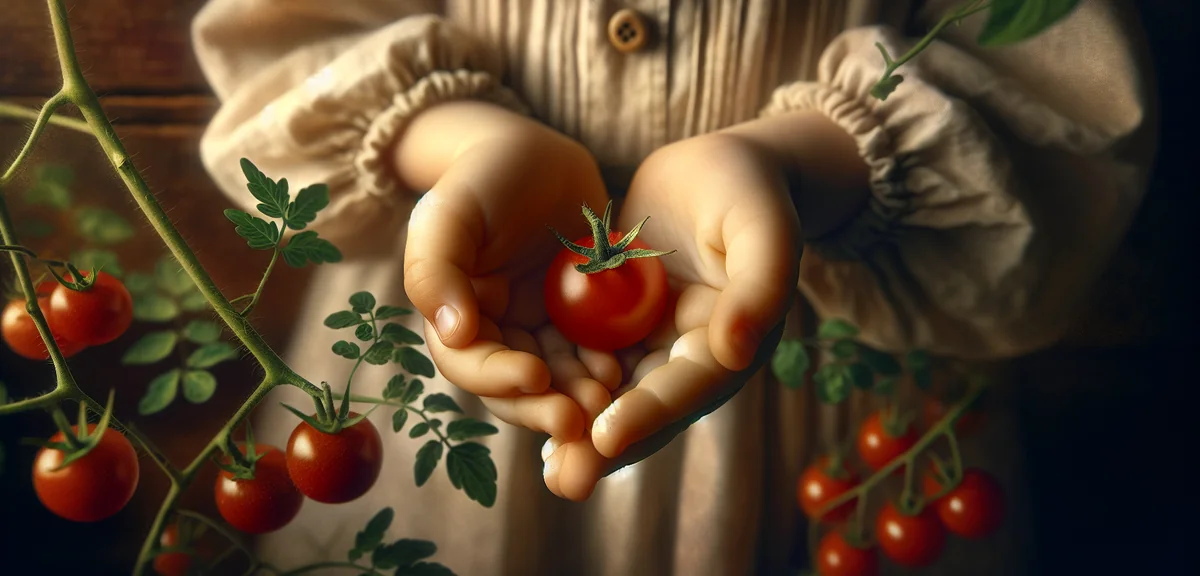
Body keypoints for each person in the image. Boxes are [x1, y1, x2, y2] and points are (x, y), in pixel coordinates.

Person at [191, 1, 1154, 574]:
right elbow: (297, 29)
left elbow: (1047, 61)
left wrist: (799, 163)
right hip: (452, 317)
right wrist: (462, 143)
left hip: (836, 328)